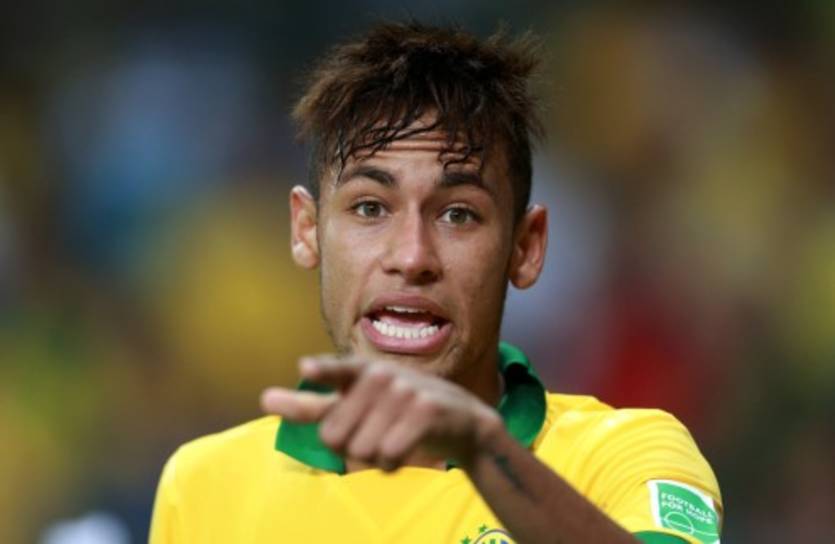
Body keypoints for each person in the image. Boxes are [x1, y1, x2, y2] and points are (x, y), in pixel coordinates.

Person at [149, 21, 722, 544]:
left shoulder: (625, 455)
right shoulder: (203, 487)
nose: (412, 257)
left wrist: (482, 450)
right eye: (371, 208)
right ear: (307, 230)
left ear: (526, 247)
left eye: (458, 214)